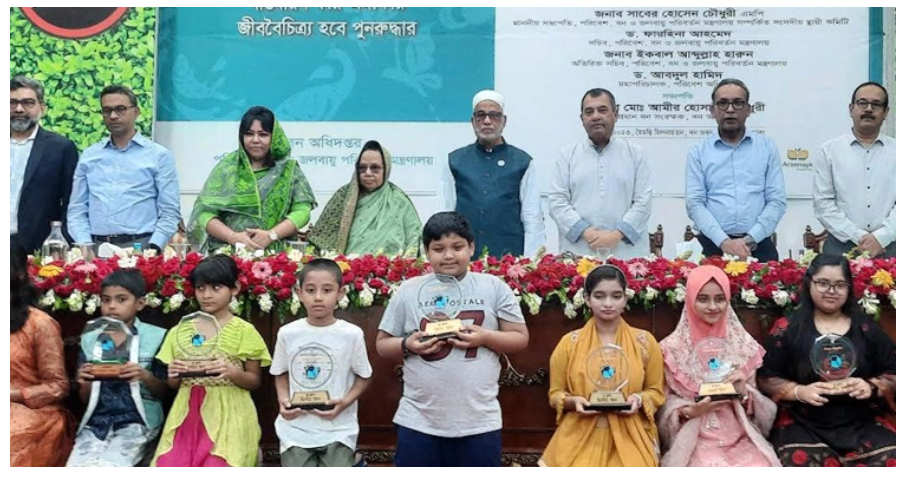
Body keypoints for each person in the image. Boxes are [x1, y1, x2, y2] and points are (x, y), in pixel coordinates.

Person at [376, 211, 530, 466]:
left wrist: (485, 337)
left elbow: (520, 338)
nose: (448, 256)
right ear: (427, 252)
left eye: (457, 247)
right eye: (438, 248)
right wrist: (407, 344)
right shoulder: (409, 290)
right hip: (419, 419)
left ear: (471, 247)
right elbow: (382, 344)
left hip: (479, 420)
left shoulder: (493, 287)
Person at [757, 254, 896, 467]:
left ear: (849, 287)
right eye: (823, 283)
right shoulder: (788, 329)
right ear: (809, 282)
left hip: (862, 418)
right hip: (804, 420)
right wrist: (799, 391)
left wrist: (871, 386)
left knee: (892, 457)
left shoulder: (866, 328)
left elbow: (894, 370)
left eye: (840, 284)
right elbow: (766, 377)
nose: (831, 291)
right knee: (798, 461)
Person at [539, 264, 665, 467]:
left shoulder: (645, 342)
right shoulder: (569, 344)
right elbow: (556, 394)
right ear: (587, 299)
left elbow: (656, 391)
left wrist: (638, 399)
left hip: (631, 435)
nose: (608, 303)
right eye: (599, 296)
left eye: (616, 296)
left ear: (625, 298)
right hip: (580, 435)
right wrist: (574, 402)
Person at [153, 255, 272, 467]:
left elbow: (254, 381)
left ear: (234, 288)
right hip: (187, 416)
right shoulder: (180, 330)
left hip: (231, 415)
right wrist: (174, 374)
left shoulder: (244, 330)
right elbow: (173, 384)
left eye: (216, 287)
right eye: (200, 288)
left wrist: (232, 372)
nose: (207, 295)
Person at [658, 265, 780, 467]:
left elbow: (758, 411)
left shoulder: (742, 344)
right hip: (696, 435)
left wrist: (743, 391)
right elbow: (664, 403)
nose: (712, 306)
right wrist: (689, 411)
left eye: (720, 299)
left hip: (740, 432)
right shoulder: (671, 349)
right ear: (690, 300)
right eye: (703, 299)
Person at [272, 259, 372, 467]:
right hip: (296, 430)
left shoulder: (351, 334)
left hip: (338, 429)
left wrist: (343, 403)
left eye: (327, 290)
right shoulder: (288, 333)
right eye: (310, 290)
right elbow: (280, 373)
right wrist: (283, 400)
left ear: (341, 293)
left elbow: (364, 377)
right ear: (299, 293)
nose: (318, 297)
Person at [67, 270, 169, 467]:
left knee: (111, 465)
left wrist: (144, 375)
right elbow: (85, 398)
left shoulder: (155, 337)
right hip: (97, 422)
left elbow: (164, 392)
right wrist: (85, 381)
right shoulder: (90, 338)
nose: (112, 306)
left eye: (121, 299)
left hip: (138, 420)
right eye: (106, 300)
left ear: (140, 303)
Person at [68, 85, 180, 253]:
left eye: (120, 109)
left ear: (136, 112)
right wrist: (84, 246)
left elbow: (170, 211)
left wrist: (154, 247)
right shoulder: (89, 156)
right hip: (95, 248)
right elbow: (77, 209)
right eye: (107, 110)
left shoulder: (158, 155)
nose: (113, 116)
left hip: (141, 246)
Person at [189, 106, 316, 253]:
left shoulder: (289, 169)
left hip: (276, 256)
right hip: (227, 255)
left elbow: (302, 211)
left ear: (274, 137)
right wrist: (233, 237)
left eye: (263, 134)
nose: (255, 140)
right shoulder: (227, 168)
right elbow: (204, 213)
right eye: (249, 134)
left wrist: (271, 235)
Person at [685, 78, 786, 262]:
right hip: (711, 246)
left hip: (758, 245)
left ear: (748, 110)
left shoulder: (766, 148)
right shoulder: (699, 152)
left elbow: (776, 201)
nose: (730, 110)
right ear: (712, 110)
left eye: (738, 103)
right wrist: (724, 242)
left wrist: (749, 240)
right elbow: (695, 204)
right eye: (723, 103)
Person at [549, 88, 653, 259]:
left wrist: (615, 236)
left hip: (625, 254)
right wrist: (588, 233)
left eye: (602, 110)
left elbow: (643, 202)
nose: (596, 116)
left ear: (616, 114)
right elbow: (557, 202)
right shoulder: (567, 155)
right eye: (589, 112)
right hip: (579, 253)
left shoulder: (634, 153)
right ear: (582, 119)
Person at [441, 90, 545, 258]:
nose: (487, 121)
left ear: (504, 121)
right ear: (472, 121)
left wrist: (532, 261)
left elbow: (532, 216)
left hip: (509, 257)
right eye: (480, 115)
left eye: (494, 115)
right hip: (465, 257)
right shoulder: (455, 161)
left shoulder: (523, 161)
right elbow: (445, 213)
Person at [814, 81, 896, 258]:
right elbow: (823, 204)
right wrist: (859, 237)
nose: (868, 109)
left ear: (886, 112)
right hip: (841, 247)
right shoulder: (829, 151)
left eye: (876, 104)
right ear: (851, 109)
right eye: (862, 103)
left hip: (892, 246)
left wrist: (881, 237)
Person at [10, 242, 74, 466]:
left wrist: (12, 395)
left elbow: (58, 387)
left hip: (30, 414)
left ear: (16, 274)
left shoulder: (39, 324)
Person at [308, 140, 421, 257]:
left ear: (386, 170)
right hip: (343, 270)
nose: (367, 173)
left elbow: (414, 240)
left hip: (390, 272)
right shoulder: (343, 196)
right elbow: (320, 240)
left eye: (375, 168)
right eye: (362, 168)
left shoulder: (399, 201)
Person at [10, 75, 79, 253]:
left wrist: (60, 244)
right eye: (12, 102)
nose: (18, 109)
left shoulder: (60, 148)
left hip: (37, 248)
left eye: (27, 103)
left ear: (42, 107)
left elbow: (72, 202)